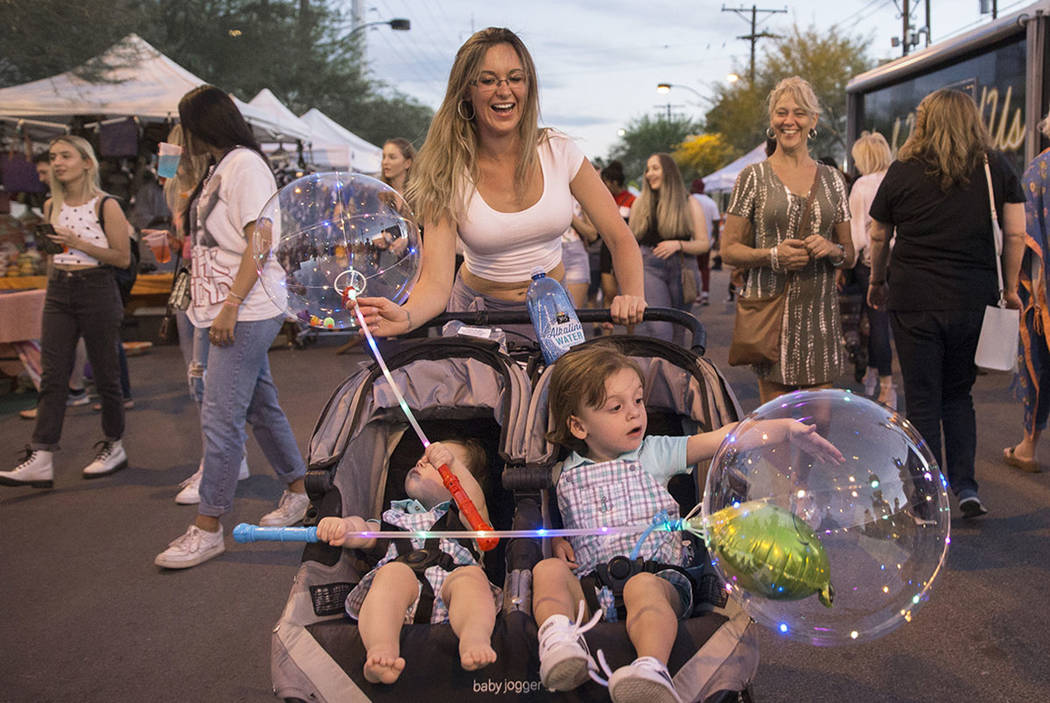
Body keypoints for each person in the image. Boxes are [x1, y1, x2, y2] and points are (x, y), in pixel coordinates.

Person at [532, 343, 843, 701]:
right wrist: (559, 541)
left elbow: (724, 439)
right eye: (616, 408)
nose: (634, 415)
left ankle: (651, 669)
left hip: (660, 578)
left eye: (638, 401)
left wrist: (785, 429)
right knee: (546, 571)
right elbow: (559, 524)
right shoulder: (560, 474)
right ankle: (558, 641)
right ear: (578, 425)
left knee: (641, 589)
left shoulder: (654, 454)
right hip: (592, 585)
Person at [353, 28, 646, 338]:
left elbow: (619, 238)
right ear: (467, 90)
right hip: (478, 317)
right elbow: (437, 285)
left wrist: (632, 294)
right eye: (489, 80)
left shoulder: (559, 150)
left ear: (528, 86)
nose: (504, 90)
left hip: (554, 313)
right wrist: (406, 317)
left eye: (515, 78)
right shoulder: (446, 169)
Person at [154, 86, 308, 569]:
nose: (181, 136)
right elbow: (179, 206)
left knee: (221, 417)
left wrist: (231, 304)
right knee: (259, 406)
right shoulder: (222, 166)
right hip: (223, 305)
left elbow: (258, 241)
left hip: (241, 307)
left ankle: (208, 527)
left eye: (185, 126)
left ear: (202, 125)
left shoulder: (243, 166)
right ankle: (300, 489)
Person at [868, 88, 1025, 518]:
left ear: (926, 122)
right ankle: (967, 488)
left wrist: (877, 279)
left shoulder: (902, 170)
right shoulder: (995, 168)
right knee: (959, 395)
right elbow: (1014, 234)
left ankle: (923, 498)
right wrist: (1010, 288)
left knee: (922, 399)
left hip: (914, 298)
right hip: (972, 300)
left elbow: (879, 234)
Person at [0, 136, 132, 488]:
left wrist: (78, 243)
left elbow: (122, 257)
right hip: (60, 289)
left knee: (105, 374)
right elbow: (50, 256)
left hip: (97, 288)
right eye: (55, 156)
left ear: (87, 162)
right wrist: (49, 291)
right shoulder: (49, 206)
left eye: (65, 156)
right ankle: (41, 454)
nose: (57, 162)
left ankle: (114, 444)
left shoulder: (107, 206)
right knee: (52, 375)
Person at [316, 440, 500, 684]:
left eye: (435, 462)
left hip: (453, 587)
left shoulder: (467, 519)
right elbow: (363, 531)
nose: (423, 460)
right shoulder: (394, 516)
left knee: (471, 579)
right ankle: (381, 649)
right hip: (401, 593)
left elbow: (473, 500)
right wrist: (344, 526)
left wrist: (452, 465)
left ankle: (474, 637)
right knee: (390, 575)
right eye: (424, 456)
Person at [722, 76, 855, 404]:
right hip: (772, 318)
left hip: (819, 318)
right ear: (772, 120)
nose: (789, 121)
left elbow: (850, 253)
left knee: (819, 424)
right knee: (779, 427)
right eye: (781, 113)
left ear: (813, 121)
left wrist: (832, 249)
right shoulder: (752, 177)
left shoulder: (834, 180)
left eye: (799, 113)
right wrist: (772, 256)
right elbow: (728, 249)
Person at [161, 124, 252, 504]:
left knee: (217, 384)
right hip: (190, 286)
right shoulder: (182, 186)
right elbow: (183, 235)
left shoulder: (223, 176)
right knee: (198, 376)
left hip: (221, 292)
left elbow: (251, 238)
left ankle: (220, 468)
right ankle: (223, 460)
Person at [1004, 110, 1050, 475]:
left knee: (1038, 367)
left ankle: (1028, 446)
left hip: (1043, 298)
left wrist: (1017, 287)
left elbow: (1024, 237)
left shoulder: (1039, 171)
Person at [629, 153, 709, 344]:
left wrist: (678, 244)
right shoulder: (640, 204)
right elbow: (630, 242)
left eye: (655, 168)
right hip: (650, 268)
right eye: (647, 169)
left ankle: (674, 374)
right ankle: (657, 373)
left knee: (678, 331)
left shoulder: (689, 202)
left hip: (682, 268)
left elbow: (704, 244)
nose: (649, 174)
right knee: (659, 330)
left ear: (669, 172)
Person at [846, 131, 896, 408]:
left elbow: (857, 235)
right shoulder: (896, 180)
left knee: (876, 324)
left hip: (869, 262)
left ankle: (886, 384)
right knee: (884, 324)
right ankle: (875, 374)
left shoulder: (862, 186)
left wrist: (846, 264)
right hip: (898, 260)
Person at [689, 178, 721, 306]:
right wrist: (716, 239)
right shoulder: (711, 202)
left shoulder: (689, 200)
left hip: (691, 241)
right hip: (706, 241)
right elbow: (716, 222)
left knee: (693, 268)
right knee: (704, 268)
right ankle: (705, 293)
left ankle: (696, 294)